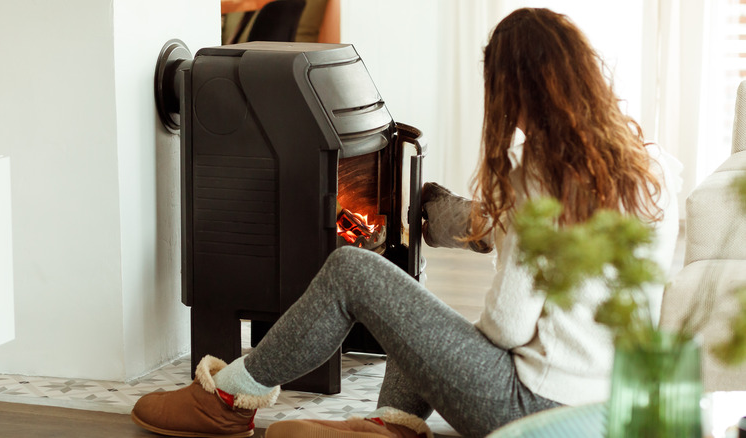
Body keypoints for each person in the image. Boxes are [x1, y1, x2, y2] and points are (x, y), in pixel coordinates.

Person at [130, 7, 681, 438]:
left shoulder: (537, 173)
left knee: (354, 268)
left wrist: (433, 337)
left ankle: (226, 399)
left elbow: (509, 327)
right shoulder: (654, 167)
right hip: (606, 411)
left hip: (532, 412)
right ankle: (392, 425)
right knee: (413, 313)